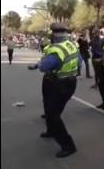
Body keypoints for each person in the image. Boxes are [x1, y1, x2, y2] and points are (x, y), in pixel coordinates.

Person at [28, 23, 82, 158]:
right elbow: (79, 61)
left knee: (53, 115)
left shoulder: (56, 49)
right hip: (67, 81)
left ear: (53, 34)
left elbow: (45, 66)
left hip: (59, 84)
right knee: (49, 107)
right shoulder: (71, 45)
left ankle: (68, 146)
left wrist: (38, 65)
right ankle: (51, 130)